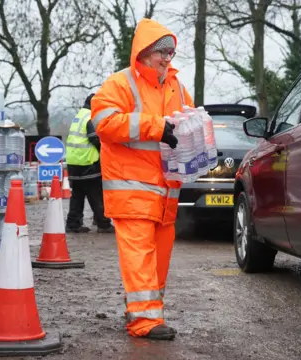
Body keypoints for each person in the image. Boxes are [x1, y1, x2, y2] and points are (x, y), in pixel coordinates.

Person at [90, 18, 194, 340]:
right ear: (145, 52)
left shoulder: (176, 86)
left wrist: (200, 143)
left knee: (159, 257)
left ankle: (147, 312)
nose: (167, 59)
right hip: (132, 189)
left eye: (171, 54)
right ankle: (144, 322)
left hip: (165, 192)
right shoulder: (120, 83)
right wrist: (156, 127)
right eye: (162, 52)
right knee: (141, 255)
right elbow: (104, 123)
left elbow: (188, 121)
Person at [65, 93, 114, 234]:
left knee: (77, 195)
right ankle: (103, 224)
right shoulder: (91, 118)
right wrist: (107, 152)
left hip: (74, 162)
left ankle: (73, 224)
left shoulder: (79, 115)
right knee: (95, 194)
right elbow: (95, 139)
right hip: (87, 162)